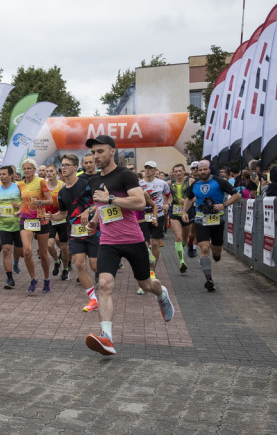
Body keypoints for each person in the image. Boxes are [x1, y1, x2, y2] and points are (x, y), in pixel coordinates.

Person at [84, 135, 175, 356]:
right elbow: (100, 206)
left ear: (112, 151)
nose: (96, 156)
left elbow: (140, 202)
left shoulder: (126, 175)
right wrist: (95, 221)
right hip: (108, 241)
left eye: (100, 152)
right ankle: (107, 338)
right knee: (104, 284)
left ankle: (160, 292)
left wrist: (112, 199)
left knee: (145, 284)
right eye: (93, 153)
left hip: (133, 240)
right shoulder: (93, 181)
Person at [181, 158, 240, 292]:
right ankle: (209, 279)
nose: (202, 172)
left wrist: (224, 204)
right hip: (201, 221)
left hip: (217, 221)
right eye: (200, 170)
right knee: (205, 248)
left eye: (205, 169)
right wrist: (184, 211)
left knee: (217, 253)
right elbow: (189, 198)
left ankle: (216, 254)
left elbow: (237, 195)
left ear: (209, 169)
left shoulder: (219, 181)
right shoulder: (194, 184)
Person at [53, 153, 100, 312]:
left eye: (67, 165)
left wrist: (88, 211)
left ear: (75, 167)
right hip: (74, 232)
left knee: (94, 266)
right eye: (62, 165)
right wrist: (50, 217)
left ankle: (107, 276)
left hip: (93, 230)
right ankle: (93, 299)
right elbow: (63, 213)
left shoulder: (86, 184)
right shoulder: (62, 192)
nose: (63, 168)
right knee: (79, 264)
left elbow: (99, 202)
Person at [16, 158, 52, 292]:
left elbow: (49, 201)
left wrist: (40, 203)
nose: (26, 171)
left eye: (29, 168)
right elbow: (23, 201)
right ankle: (33, 279)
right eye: (24, 168)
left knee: (43, 253)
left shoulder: (41, 182)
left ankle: (47, 279)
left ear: (34, 170)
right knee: (27, 251)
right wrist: (19, 210)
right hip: (26, 220)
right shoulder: (20, 184)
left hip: (41, 219)